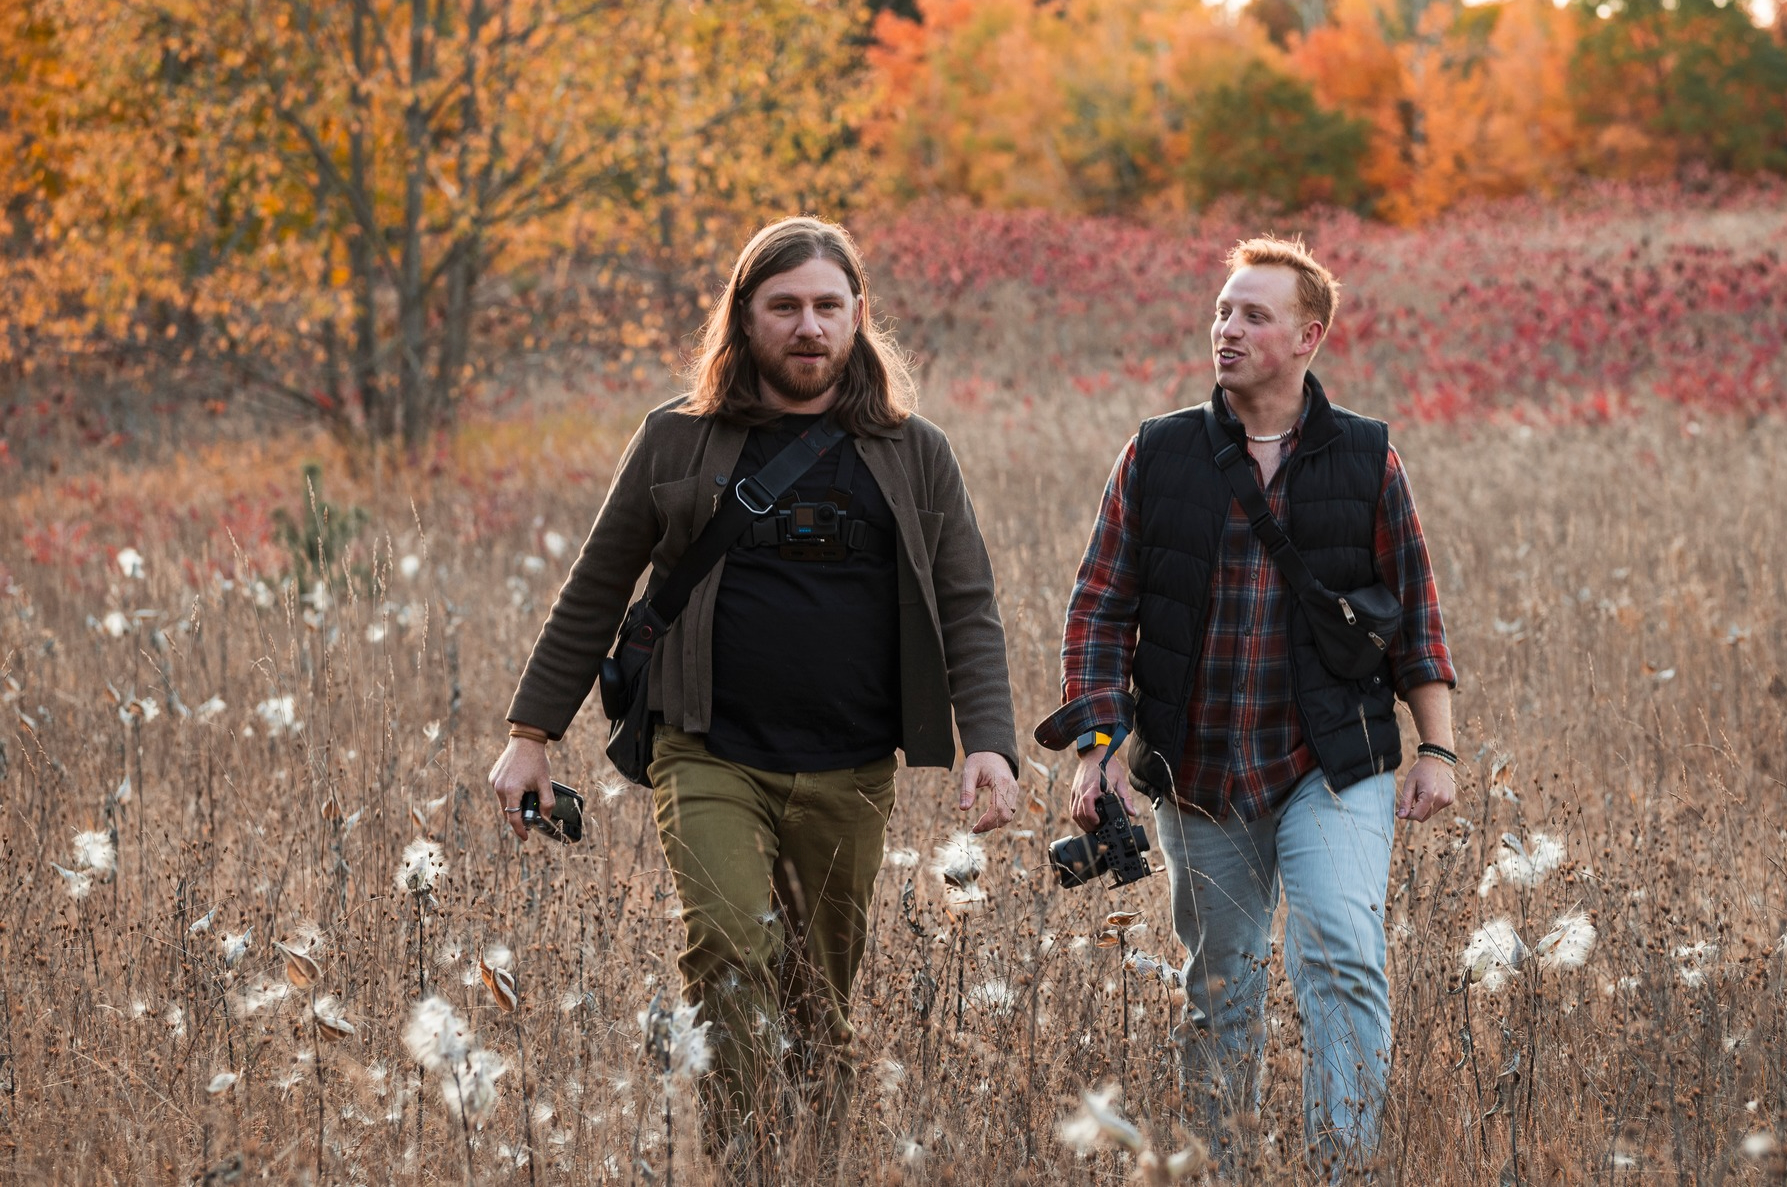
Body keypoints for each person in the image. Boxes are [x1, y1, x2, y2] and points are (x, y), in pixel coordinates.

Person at [491, 216, 1020, 1172]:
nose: (808, 326)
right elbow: (595, 587)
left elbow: (967, 597)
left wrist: (989, 737)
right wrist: (531, 732)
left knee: (820, 997)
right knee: (729, 946)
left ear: (859, 317)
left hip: (851, 768)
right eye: (785, 306)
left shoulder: (912, 450)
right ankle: (745, 1159)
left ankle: (818, 1155)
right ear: (746, 318)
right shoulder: (676, 440)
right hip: (707, 748)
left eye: (828, 305)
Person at [1036, 235, 1458, 1175]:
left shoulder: (1369, 460)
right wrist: (1097, 749)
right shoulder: (1158, 454)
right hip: (1198, 770)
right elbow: (1101, 606)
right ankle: (1219, 1165)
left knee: (1342, 953)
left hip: (1335, 762)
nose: (1227, 328)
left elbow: (1417, 614)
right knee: (1222, 986)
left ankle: (1339, 1167)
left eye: (1252, 314)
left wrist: (1438, 750)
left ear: (1308, 336)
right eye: (1223, 310)